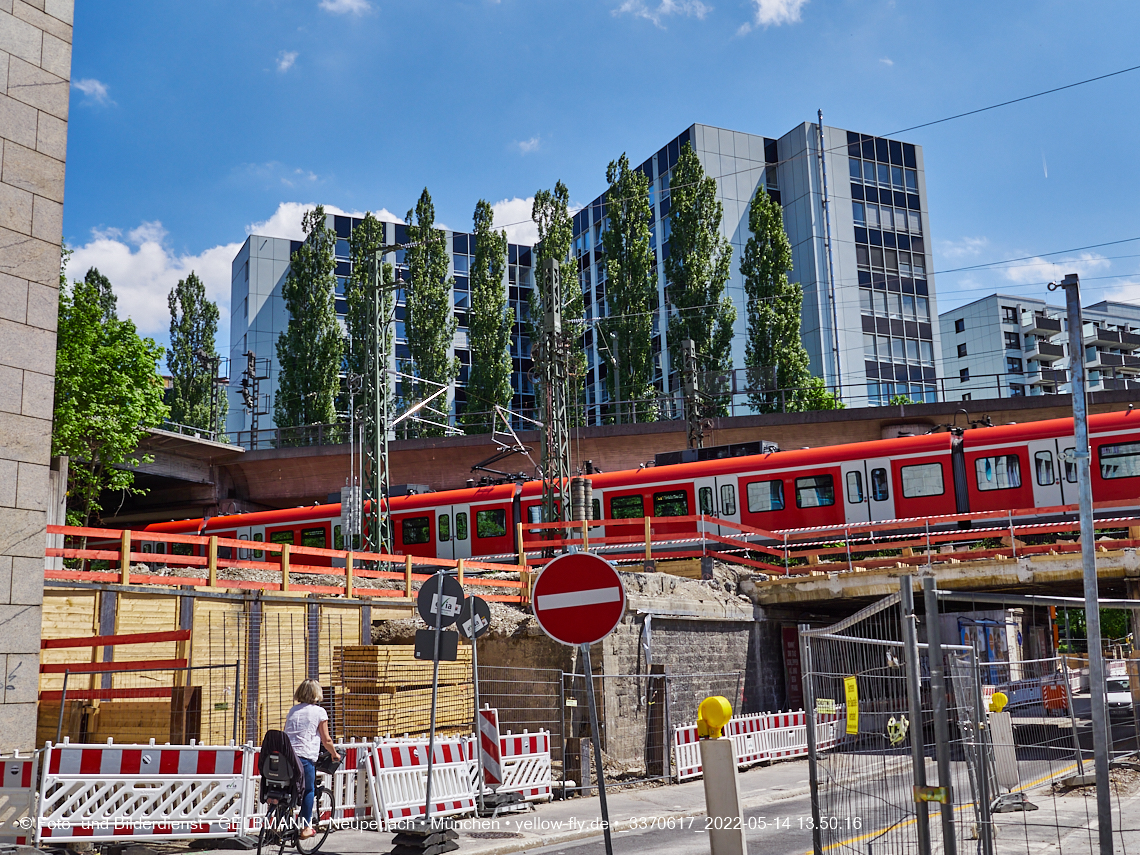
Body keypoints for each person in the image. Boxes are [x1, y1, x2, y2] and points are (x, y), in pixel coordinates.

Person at [284, 679, 339, 839]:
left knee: (287, 789)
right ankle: (306, 827)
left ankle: (279, 818)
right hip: (304, 756)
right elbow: (326, 739)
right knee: (309, 790)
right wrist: (334, 754)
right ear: (317, 694)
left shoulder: (293, 710)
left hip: (287, 757)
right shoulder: (319, 712)